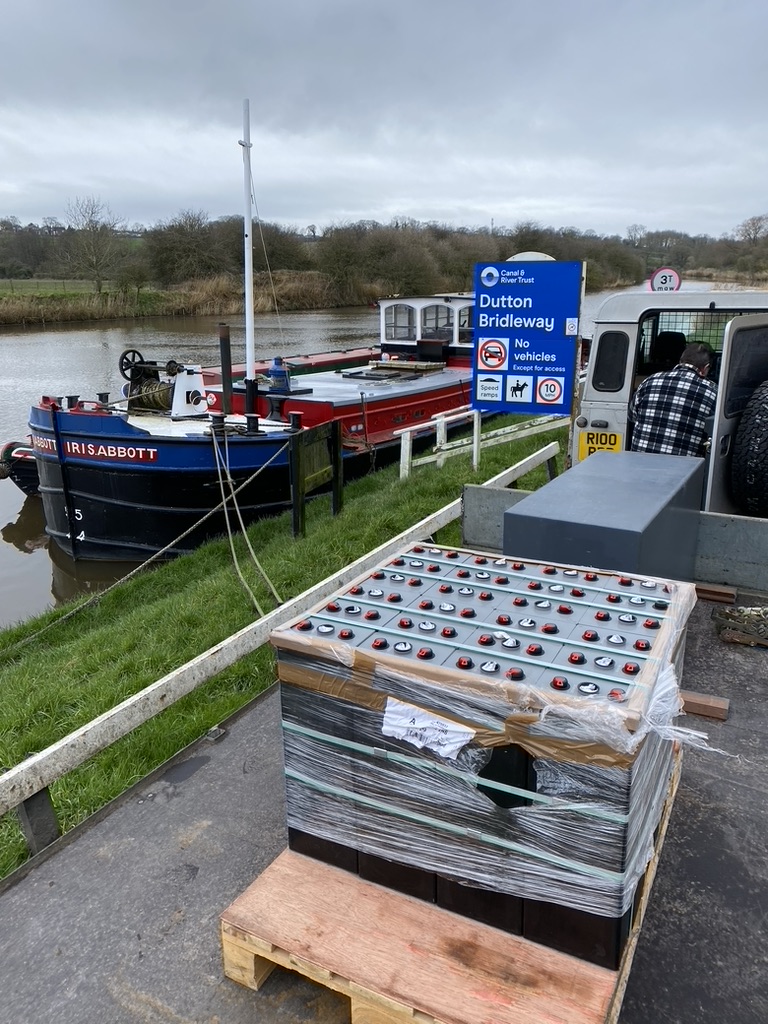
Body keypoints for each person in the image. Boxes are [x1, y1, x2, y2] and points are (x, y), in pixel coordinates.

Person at [628, 342, 717, 456]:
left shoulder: (649, 381)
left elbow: (632, 416)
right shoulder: (712, 392)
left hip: (639, 466)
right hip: (685, 471)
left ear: (680, 361)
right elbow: (714, 432)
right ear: (705, 368)